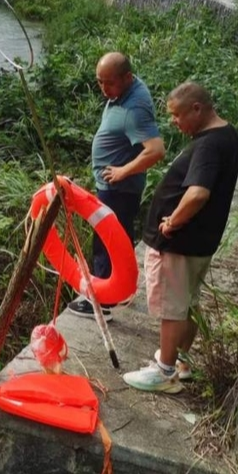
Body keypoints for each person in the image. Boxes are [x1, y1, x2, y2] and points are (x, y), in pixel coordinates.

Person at [123, 82, 238, 393]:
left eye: (177, 115)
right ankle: (181, 363)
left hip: (180, 243)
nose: (174, 122)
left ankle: (163, 373)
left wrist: (173, 221)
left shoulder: (208, 145)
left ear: (197, 109)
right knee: (187, 303)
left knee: (172, 308)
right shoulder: (227, 135)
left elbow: (198, 193)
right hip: (199, 242)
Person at [67, 52, 165, 320]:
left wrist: (122, 171)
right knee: (119, 239)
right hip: (117, 189)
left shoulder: (134, 110)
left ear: (128, 78)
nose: (103, 89)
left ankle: (101, 303)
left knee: (105, 242)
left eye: (109, 83)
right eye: (99, 82)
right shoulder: (127, 91)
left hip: (119, 191)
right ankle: (120, 292)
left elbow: (156, 150)